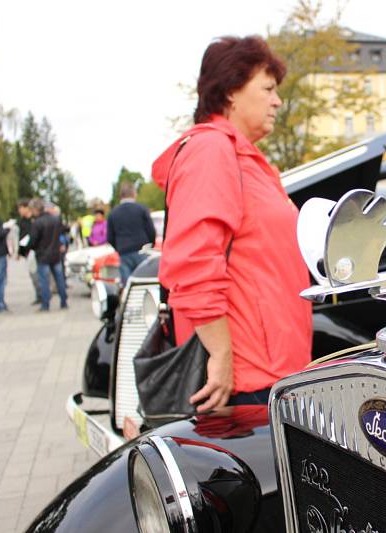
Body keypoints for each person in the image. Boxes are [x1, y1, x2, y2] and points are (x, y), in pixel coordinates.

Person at [152, 35, 312, 412]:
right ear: (230, 94)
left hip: (273, 368)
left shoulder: (243, 157)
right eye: (268, 89)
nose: (278, 101)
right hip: (245, 380)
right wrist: (221, 355)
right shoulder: (211, 151)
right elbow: (193, 262)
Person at [107, 183, 156, 285]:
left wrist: (119, 247)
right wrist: (151, 245)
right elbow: (151, 231)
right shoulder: (141, 209)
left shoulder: (113, 213)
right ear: (134, 194)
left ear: (121, 196)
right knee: (144, 283)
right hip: (142, 250)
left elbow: (110, 237)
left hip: (124, 252)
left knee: (127, 285)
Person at [28, 199, 68, 311]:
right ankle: (64, 301)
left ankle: (45, 304)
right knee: (59, 279)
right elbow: (64, 230)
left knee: (44, 280)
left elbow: (33, 241)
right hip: (56, 254)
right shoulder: (55, 219)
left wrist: (28, 248)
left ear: (35, 209)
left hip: (43, 255)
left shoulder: (37, 223)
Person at [17, 199, 42, 305]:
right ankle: (39, 294)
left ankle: (42, 294)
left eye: (20, 208)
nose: (19, 211)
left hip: (37, 250)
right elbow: (20, 237)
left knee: (38, 274)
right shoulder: (21, 222)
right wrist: (20, 252)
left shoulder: (36, 219)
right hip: (28, 251)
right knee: (33, 274)